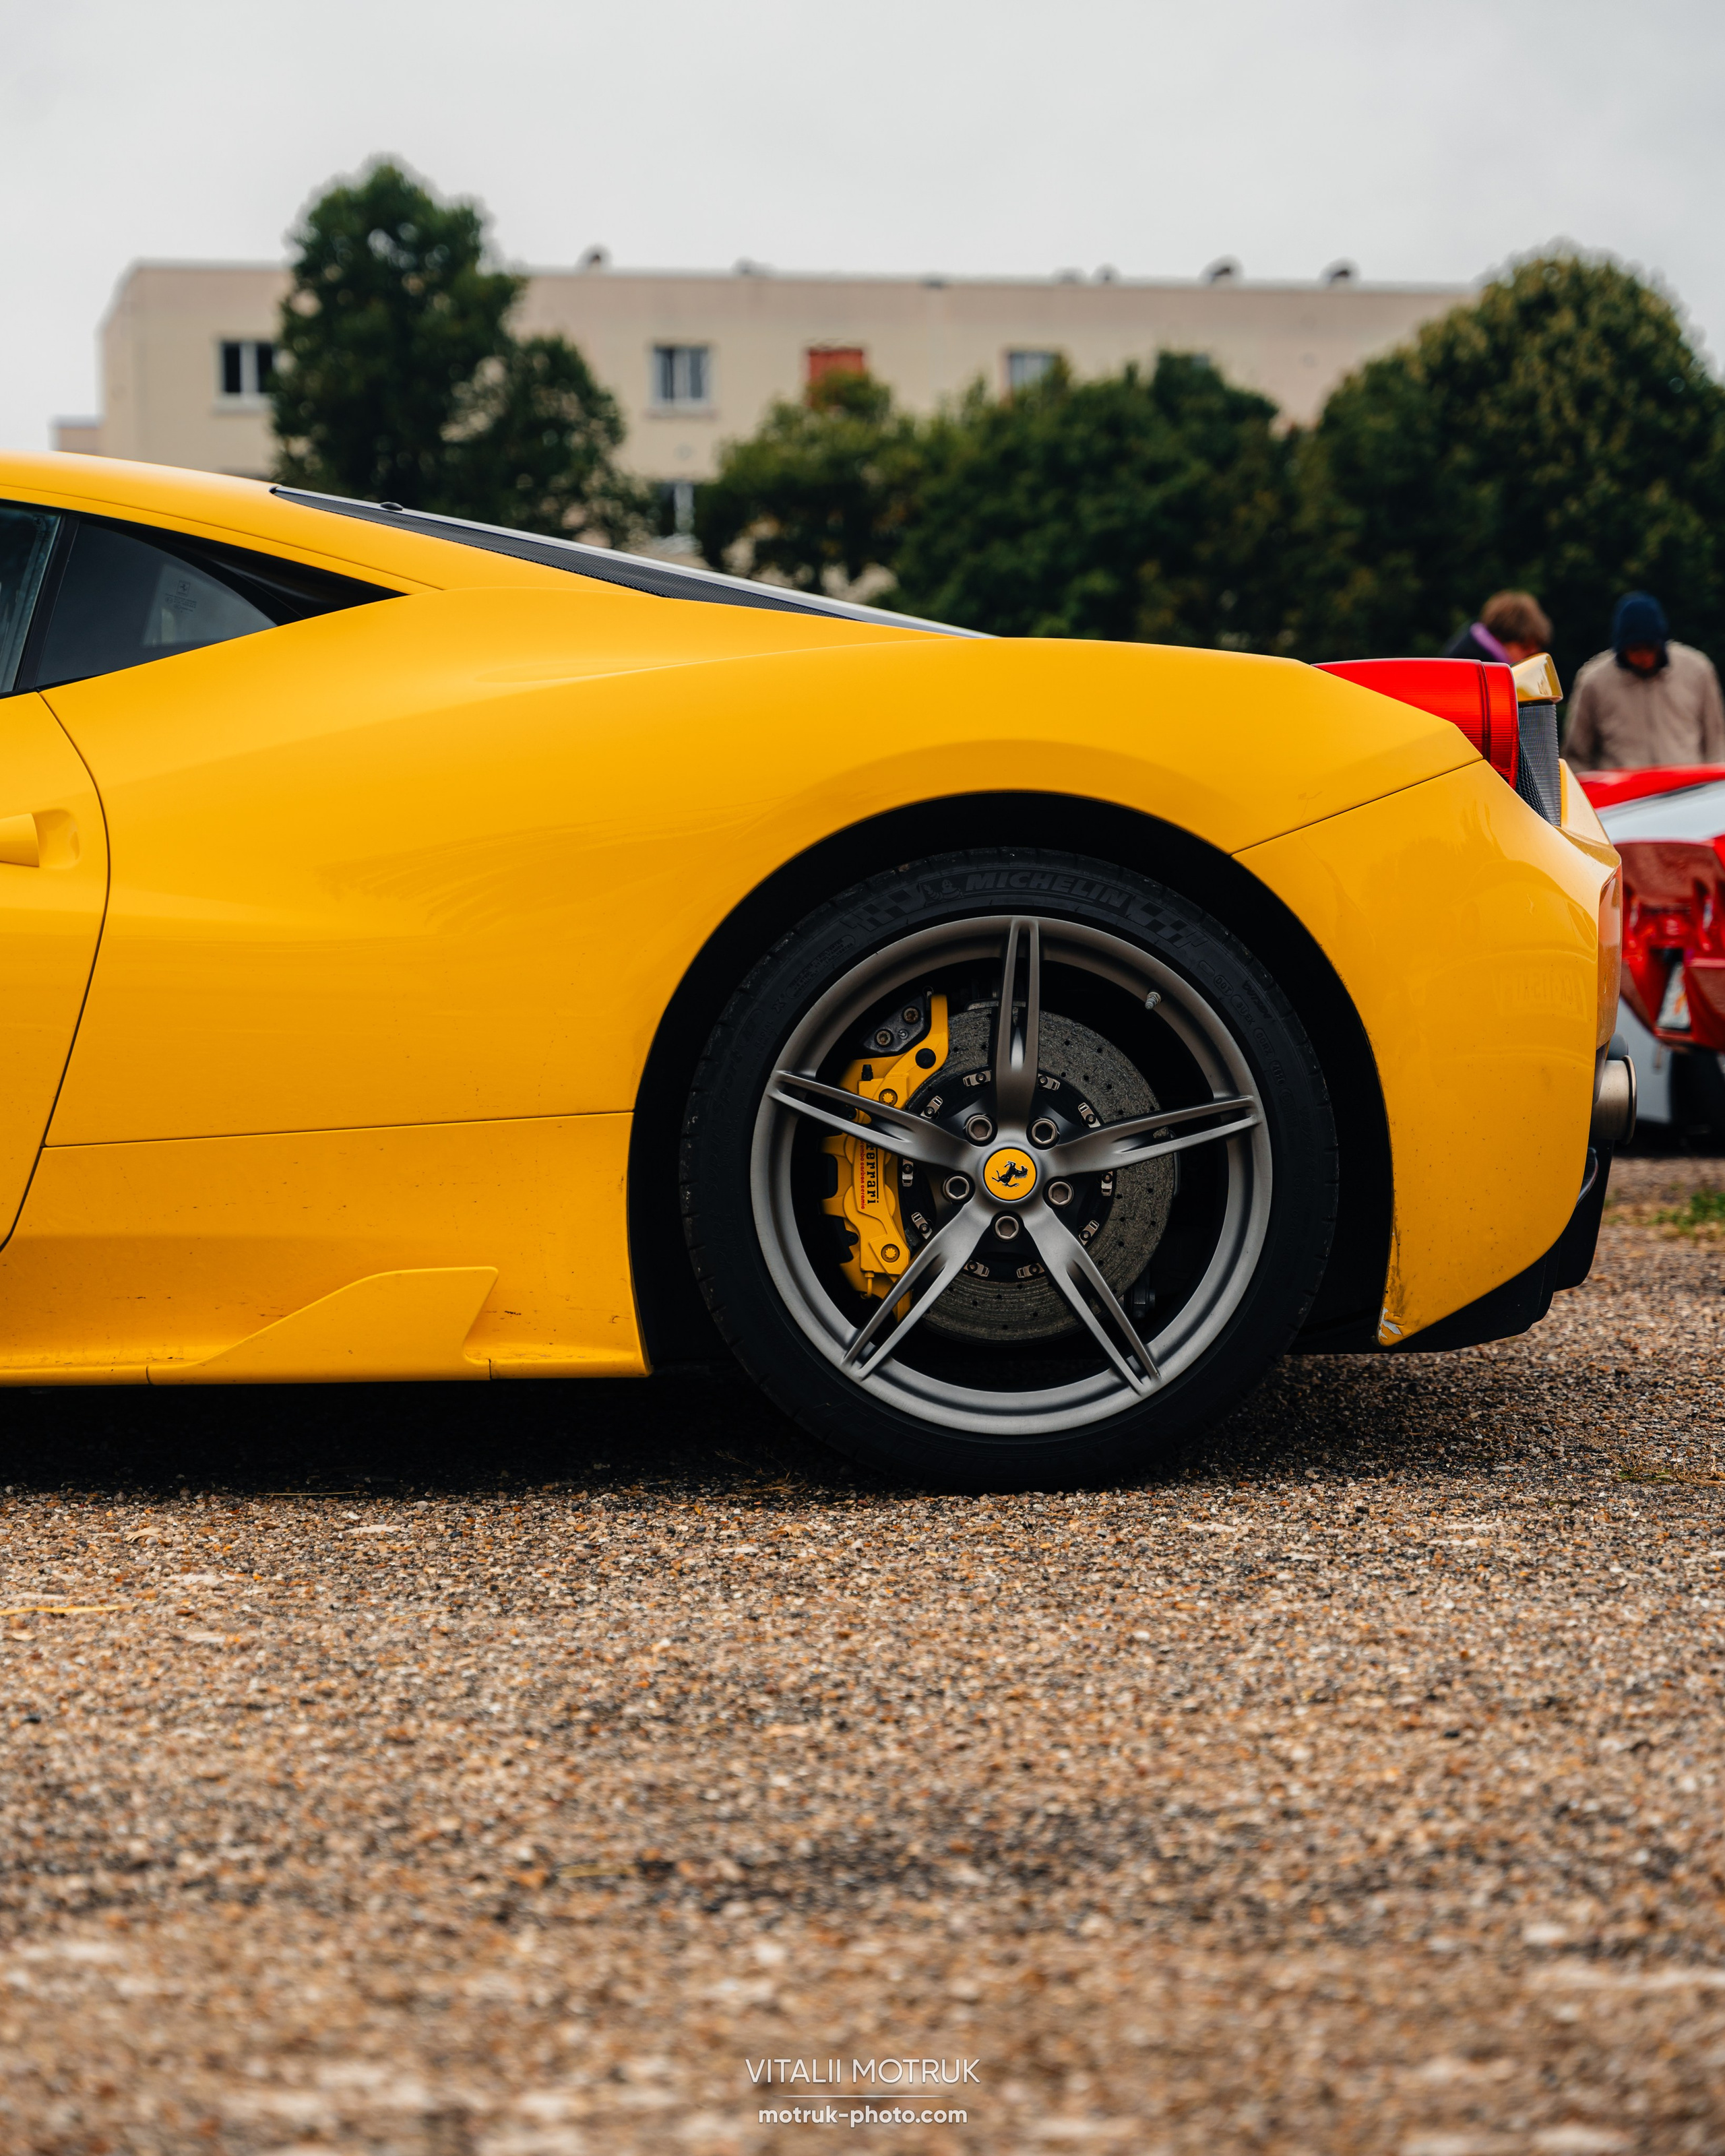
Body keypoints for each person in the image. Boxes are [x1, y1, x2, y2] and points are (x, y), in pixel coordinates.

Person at [1564, 592, 1725, 770]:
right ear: (1620, 648)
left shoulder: (1697, 670)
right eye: (1635, 649)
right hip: (1626, 793)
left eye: (1650, 648)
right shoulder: (1594, 681)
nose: (1643, 657)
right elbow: (1577, 755)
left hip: (1688, 790)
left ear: (1662, 644)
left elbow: (1717, 743)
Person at [1443, 590, 1552, 667]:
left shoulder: (1472, 652)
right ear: (1500, 639)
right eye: (1525, 648)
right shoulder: (1469, 667)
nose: (1530, 658)